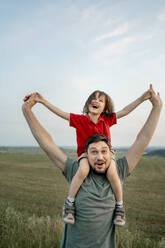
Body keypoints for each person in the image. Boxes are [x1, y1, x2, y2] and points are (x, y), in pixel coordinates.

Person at [22, 84, 162, 248]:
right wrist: (28, 111)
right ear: (86, 154)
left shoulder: (119, 171)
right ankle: (69, 204)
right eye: (94, 152)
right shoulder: (75, 171)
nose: (100, 156)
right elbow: (47, 143)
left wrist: (157, 106)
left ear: (110, 151)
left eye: (104, 151)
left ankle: (120, 208)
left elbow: (142, 139)